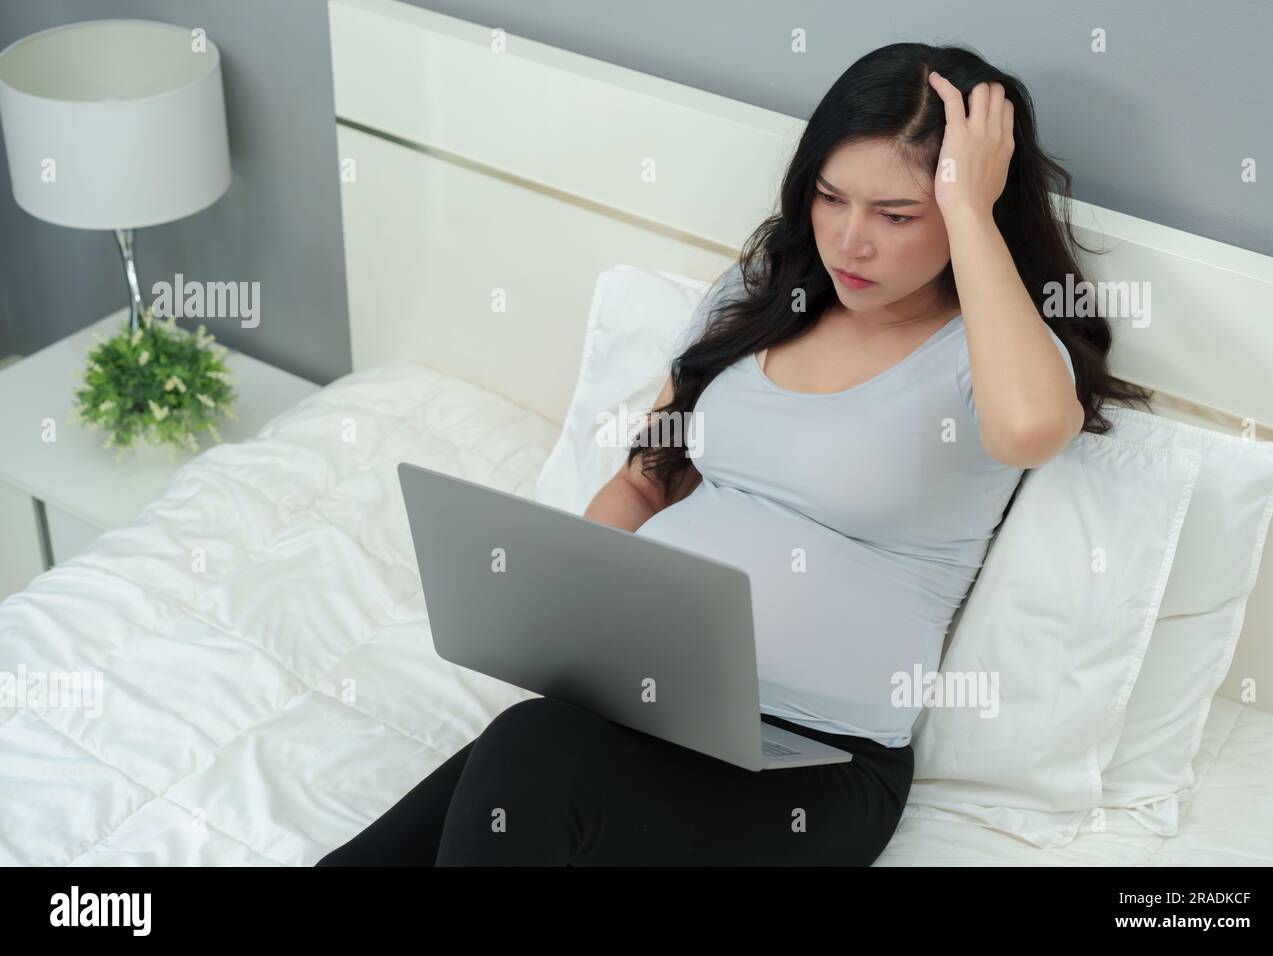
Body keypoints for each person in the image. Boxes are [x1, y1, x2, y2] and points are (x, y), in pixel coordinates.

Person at [317, 43, 1151, 868]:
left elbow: (1034, 429)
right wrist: (566, 625)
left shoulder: (987, 350)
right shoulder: (763, 293)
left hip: (811, 765)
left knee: (531, 754)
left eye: (896, 215)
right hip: (639, 706)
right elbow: (645, 487)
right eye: (830, 197)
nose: (850, 242)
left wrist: (970, 209)